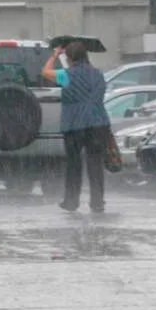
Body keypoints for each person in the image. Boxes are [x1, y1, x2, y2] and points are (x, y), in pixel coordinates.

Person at [41, 42, 111, 213]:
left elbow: (45, 72)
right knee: (95, 163)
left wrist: (55, 55)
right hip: (98, 123)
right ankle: (97, 202)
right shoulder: (98, 74)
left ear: (70, 58)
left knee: (74, 163)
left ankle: (71, 201)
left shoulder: (66, 75)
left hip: (74, 124)